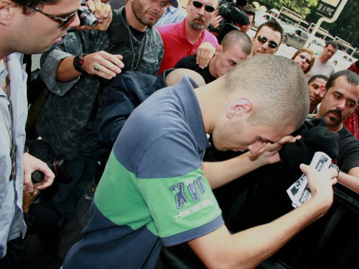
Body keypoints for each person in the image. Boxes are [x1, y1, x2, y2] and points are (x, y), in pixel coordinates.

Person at [63, 55, 338, 269]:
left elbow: (190, 176)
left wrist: (257, 160)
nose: (256, 147)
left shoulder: (179, 107)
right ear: (240, 108)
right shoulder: (167, 135)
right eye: (261, 137)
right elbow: (225, 259)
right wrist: (316, 206)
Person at [37, 0, 177, 228]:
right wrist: (82, 63)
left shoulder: (156, 44)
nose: (158, 8)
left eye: (164, 4)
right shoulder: (97, 21)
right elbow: (50, 64)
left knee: (80, 211)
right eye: (153, 0)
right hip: (66, 138)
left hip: (105, 147)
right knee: (48, 207)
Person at [0, 0, 82, 265]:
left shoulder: (13, 62)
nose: (76, 24)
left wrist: (18, 156)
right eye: (62, 17)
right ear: (5, 9)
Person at [314, 70, 359, 200]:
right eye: (337, 96)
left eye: (350, 104)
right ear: (324, 91)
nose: (341, 106)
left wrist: (328, 170)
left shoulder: (352, 146)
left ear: (355, 108)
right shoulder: (297, 120)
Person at [157, 0, 219, 74]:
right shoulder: (161, 34)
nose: (201, 13)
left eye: (209, 9)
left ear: (215, 14)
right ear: (188, 5)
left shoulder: (213, 42)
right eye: (197, 5)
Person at [175, 30, 253, 83]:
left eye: (240, 67)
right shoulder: (189, 66)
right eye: (232, 63)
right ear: (218, 50)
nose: (234, 71)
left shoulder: (236, 88)